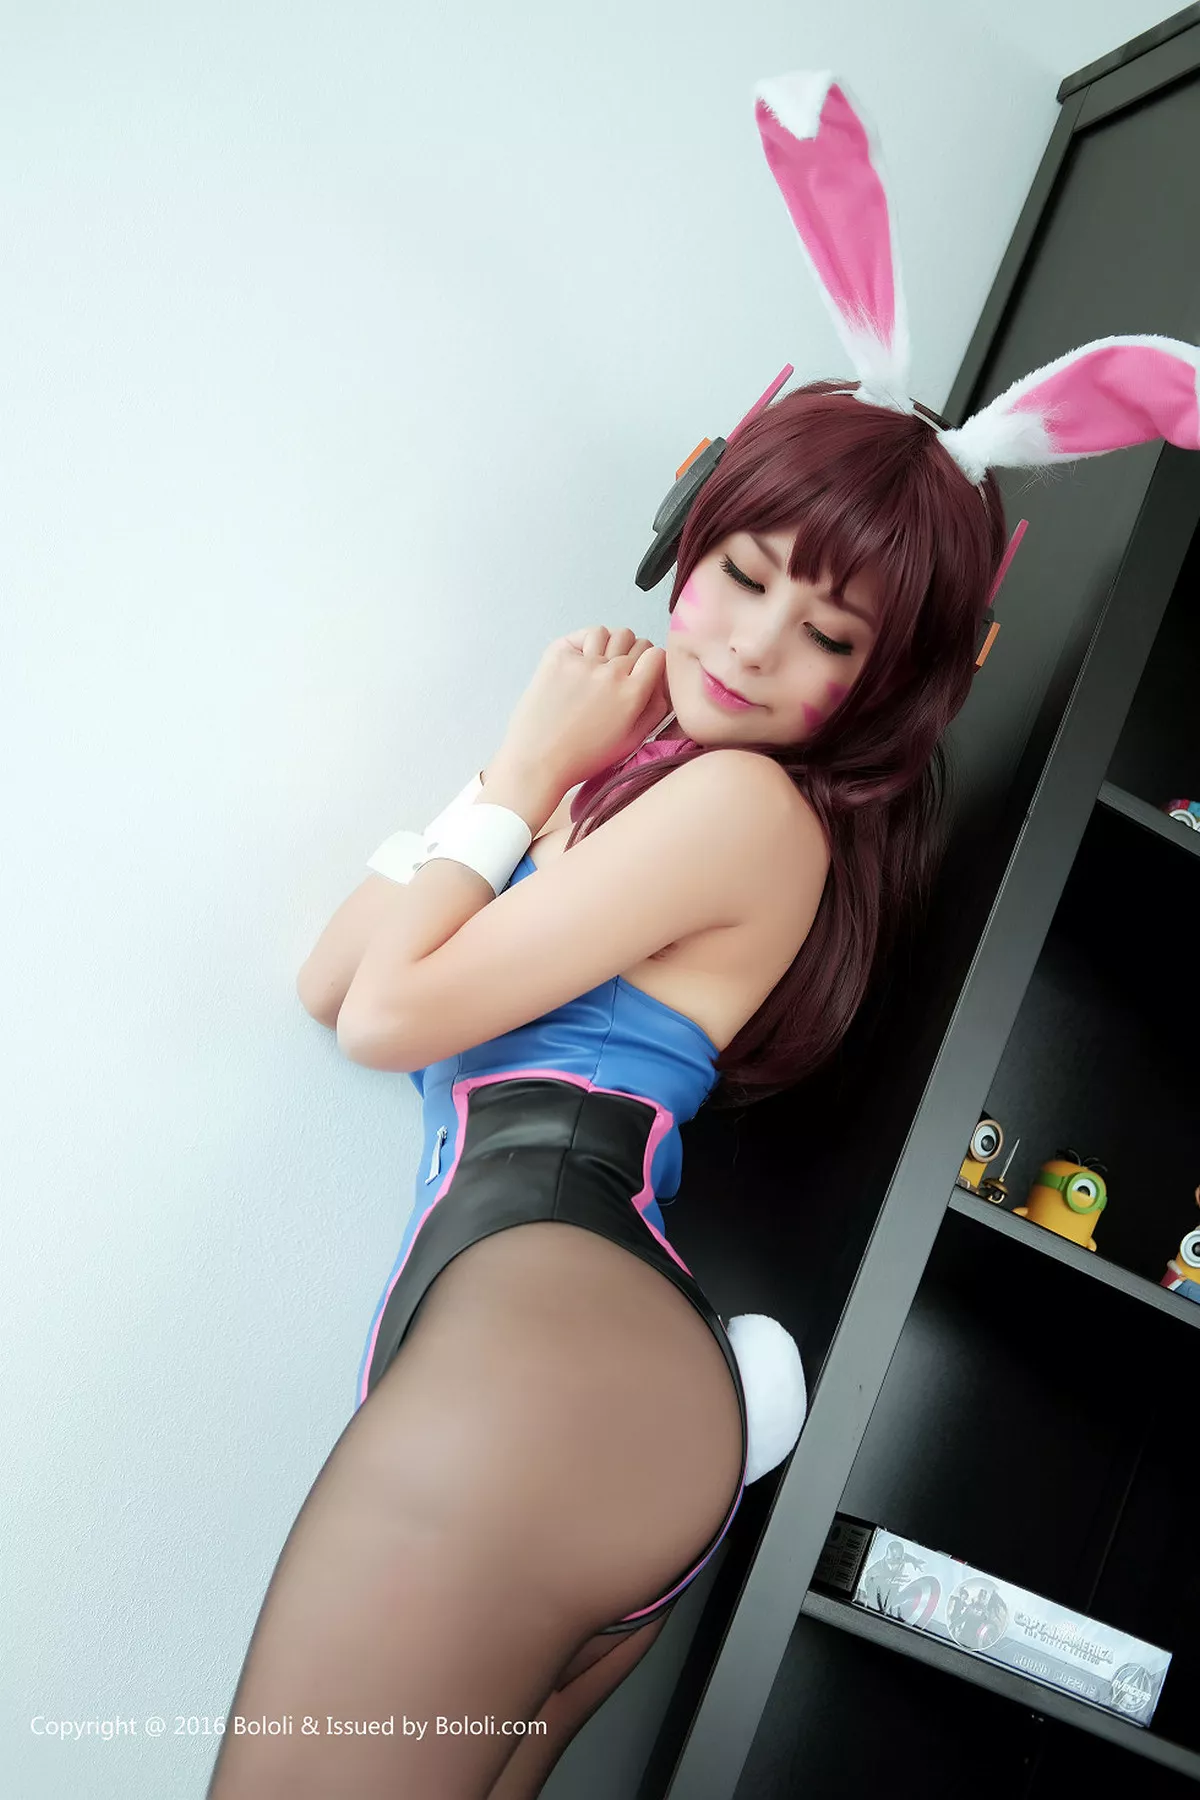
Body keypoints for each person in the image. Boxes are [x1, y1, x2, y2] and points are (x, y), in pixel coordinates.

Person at [207, 67, 1200, 1800]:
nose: (749, 646)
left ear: (881, 686)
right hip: (552, 1358)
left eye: (828, 635)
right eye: (742, 575)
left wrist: (526, 770)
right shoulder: (620, 797)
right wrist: (518, 783)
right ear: (691, 535)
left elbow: (387, 1018)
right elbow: (331, 978)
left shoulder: (741, 810)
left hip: (556, 1357)